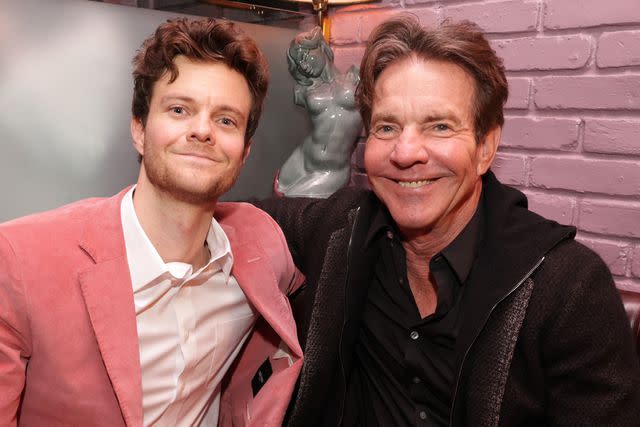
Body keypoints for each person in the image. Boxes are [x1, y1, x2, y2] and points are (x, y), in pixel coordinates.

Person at [259, 15, 640, 426]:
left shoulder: (569, 290)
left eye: (439, 126)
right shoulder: (342, 230)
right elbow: (231, 216)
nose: (406, 153)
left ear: (485, 147)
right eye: (387, 126)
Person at [0, 18, 303, 426]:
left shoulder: (261, 243)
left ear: (245, 151)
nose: (202, 131)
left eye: (226, 120)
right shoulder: (21, 261)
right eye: (180, 110)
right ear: (139, 130)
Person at [275, 26, 363, 198]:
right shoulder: (304, 91)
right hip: (301, 159)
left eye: (307, 55)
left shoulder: (356, 77)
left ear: (321, 46)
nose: (305, 64)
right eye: (299, 61)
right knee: (279, 199)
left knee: (292, 203)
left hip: (332, 170)